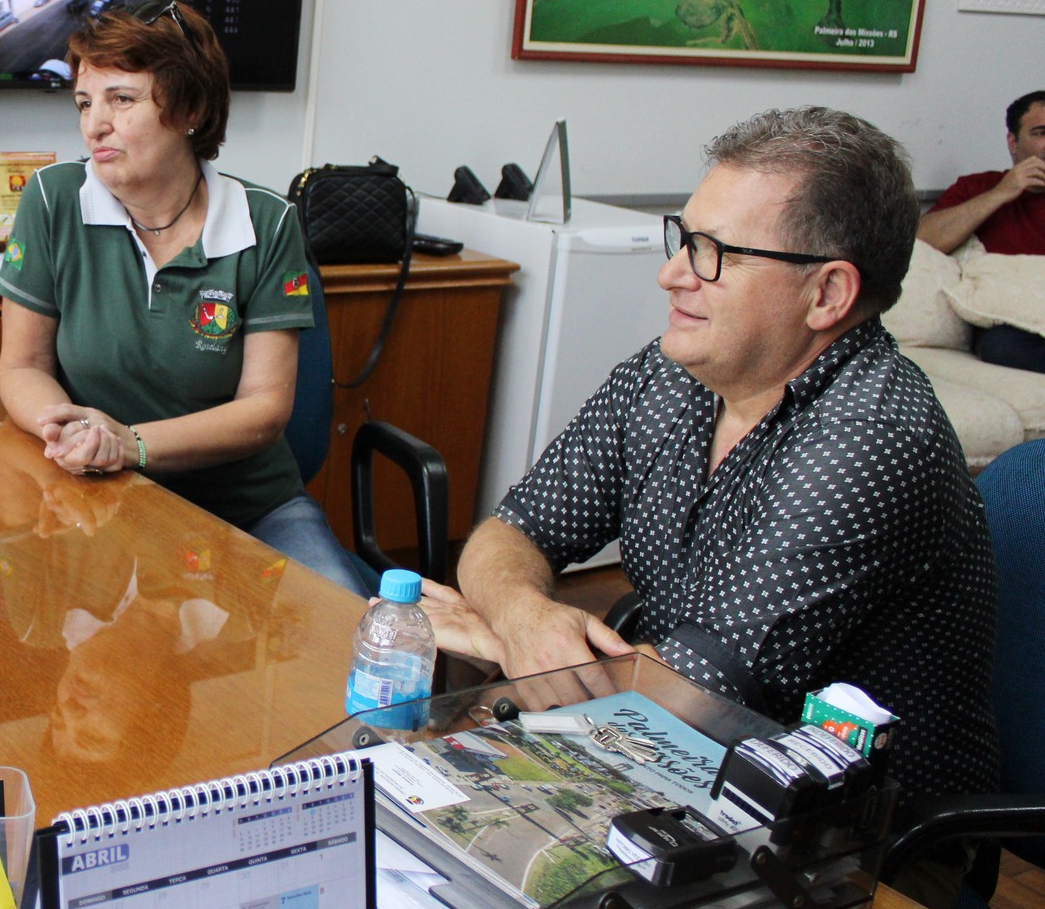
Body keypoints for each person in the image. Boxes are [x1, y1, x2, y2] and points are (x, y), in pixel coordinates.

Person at [423, 108, 997, 852]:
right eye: (682, 238)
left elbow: (696, 694)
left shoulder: (870, 440)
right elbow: (514, 528)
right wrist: (523, 614)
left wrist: (501, 639)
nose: (672, 273)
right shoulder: (676, 372)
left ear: (827, 294)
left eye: (712, 253)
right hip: (670, 761)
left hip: (858, 845)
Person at [0, 0, 372, 598]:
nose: (95, 124)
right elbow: (21, 364)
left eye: (122, 99)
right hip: (98, 497)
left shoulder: (267, 223)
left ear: (190, 108)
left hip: (249, 511)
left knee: (341, 654)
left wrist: (130, 443)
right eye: (85, 103)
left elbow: (265, 410)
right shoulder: (52, 200)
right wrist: (66, 431)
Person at [915, 90, 1045, 372]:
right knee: (1001, 345)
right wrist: (1002, 193)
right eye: (1040, 133)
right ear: (1013, 141)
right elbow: (921, 243)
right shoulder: (978, 188)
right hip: (1011, 322)